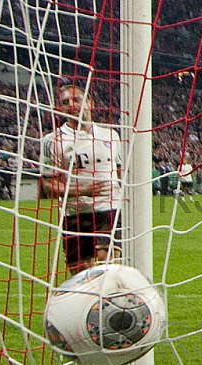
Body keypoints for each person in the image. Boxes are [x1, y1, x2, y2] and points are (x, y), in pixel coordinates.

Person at [40, 83, 123, 276]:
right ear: (60, 108)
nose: (72, 105)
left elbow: (120, 171)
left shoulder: (111, 135)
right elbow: (47, 185)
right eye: (65, 102)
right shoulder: (52, 141)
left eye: (76, 99)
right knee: (80, 273)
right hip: (75, 214)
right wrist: (83, 191)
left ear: (89, 103)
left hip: (107, 211)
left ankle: (108, 304)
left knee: (107, 261)